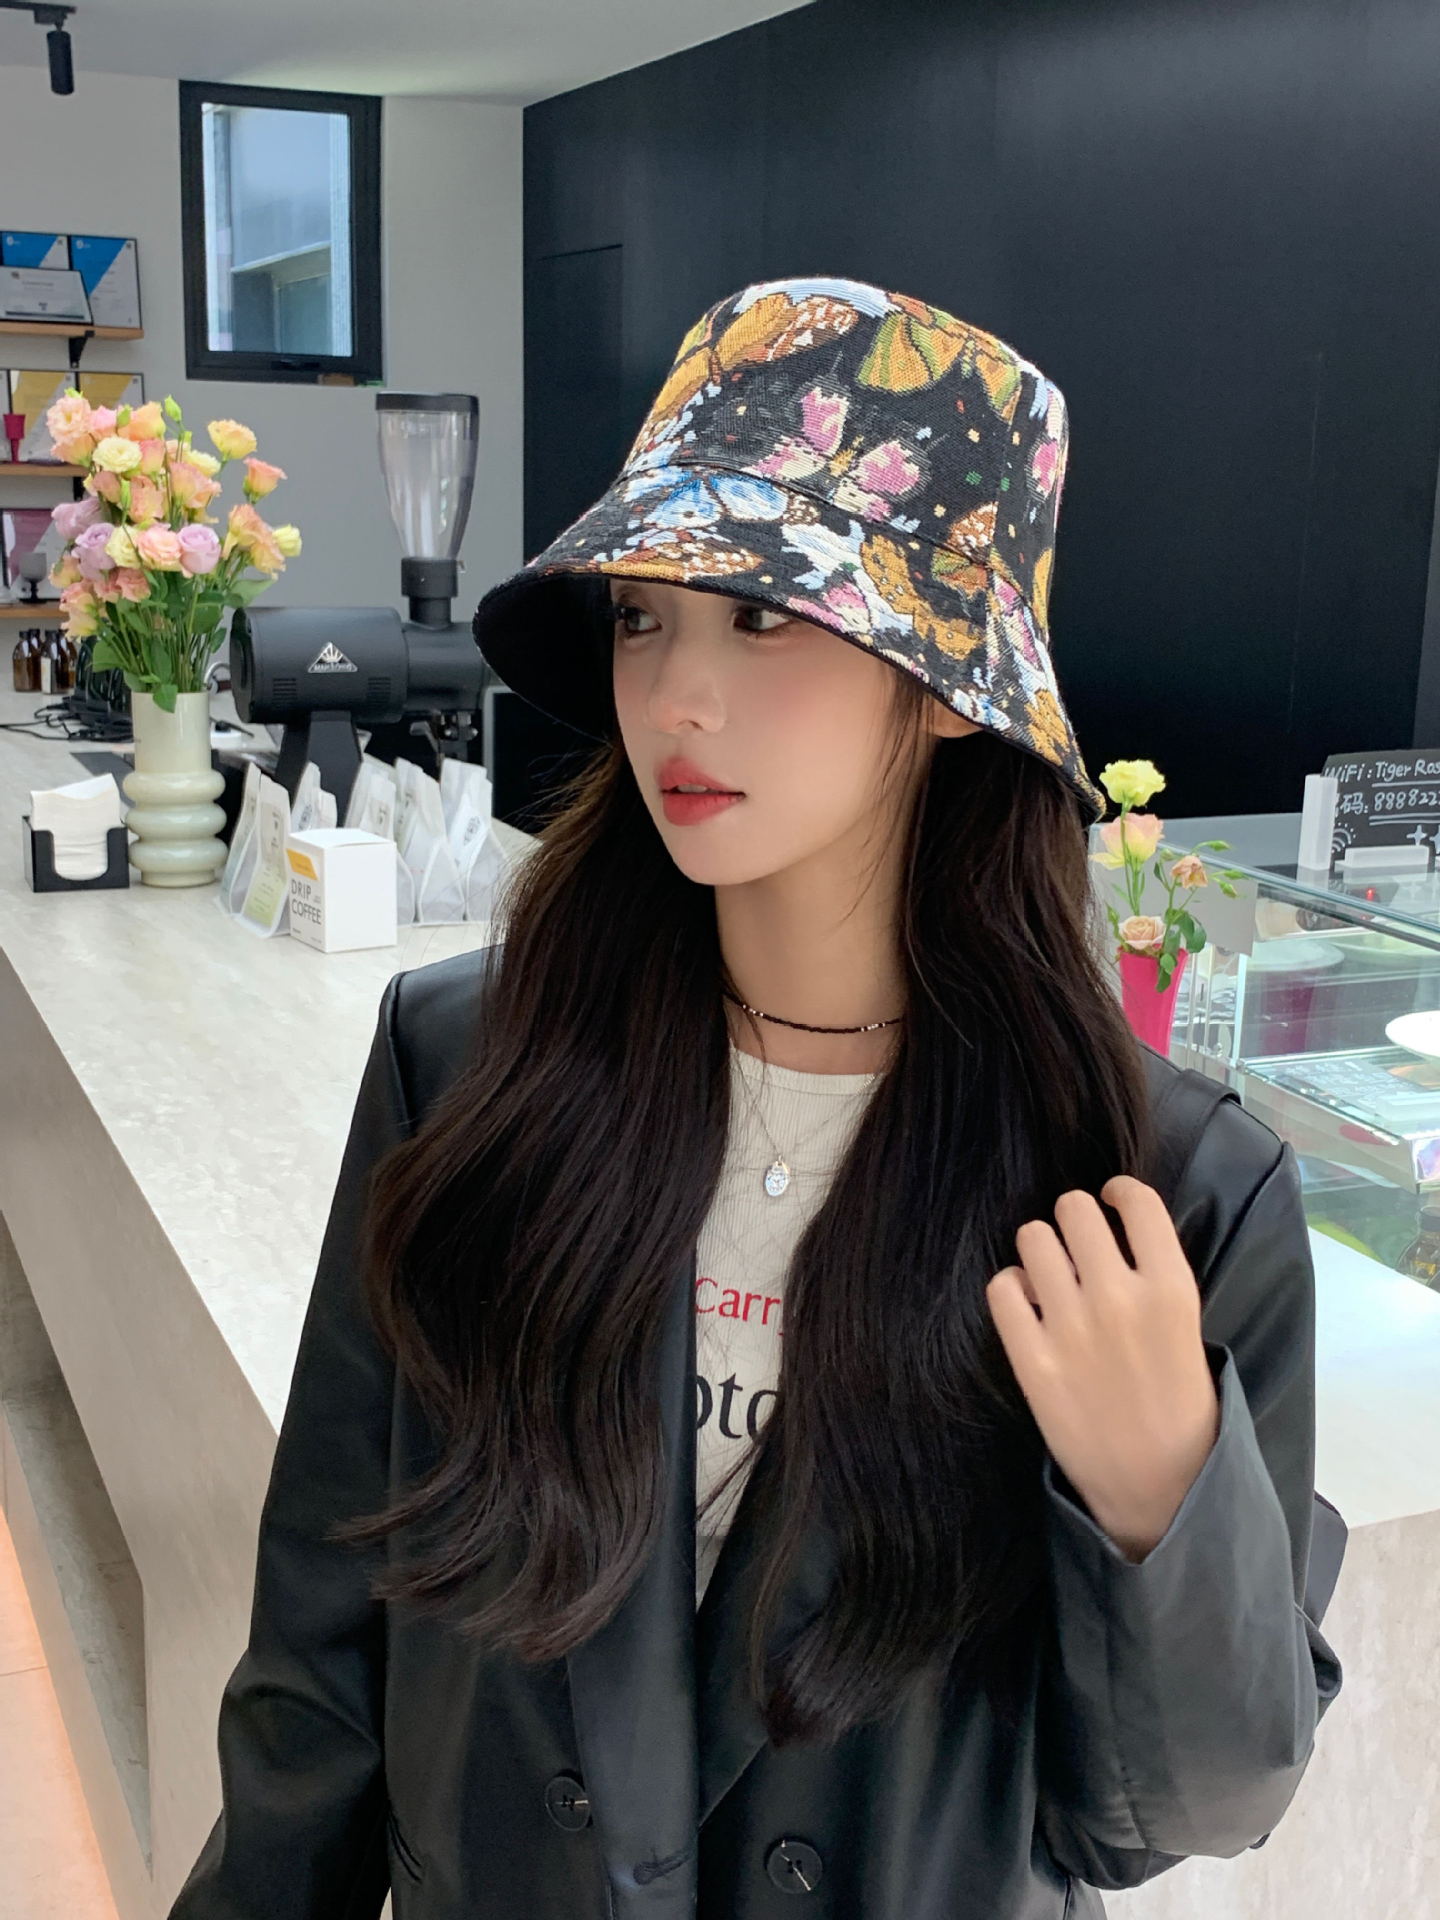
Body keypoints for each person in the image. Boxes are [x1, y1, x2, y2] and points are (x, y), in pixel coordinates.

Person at [168, 276, 1342, 1918]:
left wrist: (1163, 1510)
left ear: (946, 684)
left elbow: (1166, 1818)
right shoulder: (474, 1068)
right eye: (643, 618)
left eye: (765, 618)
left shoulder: (1153, 1192)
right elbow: (319, 1650)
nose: (676, 697)